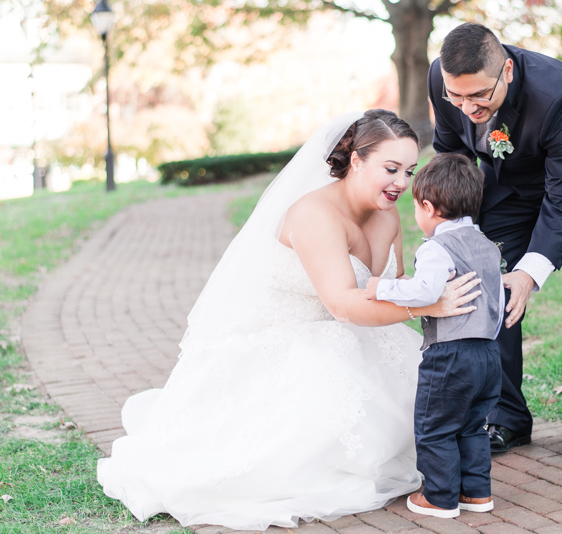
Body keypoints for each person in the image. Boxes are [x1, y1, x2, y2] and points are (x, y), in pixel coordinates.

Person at [96, 110, 481, 531]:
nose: (402, 184)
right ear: (356, 161)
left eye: (409, 171)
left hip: (361, 332)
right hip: (290, 336)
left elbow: (399, 283)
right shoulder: (314, 215)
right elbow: (342, 304)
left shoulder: (387, 215)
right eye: (390, 169)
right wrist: (427, 307)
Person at [427, 23, 562, 467]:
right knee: (483, 275)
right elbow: (451, 155)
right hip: (510, 188)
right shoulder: (443, 78)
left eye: (479, 96)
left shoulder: (558, 93)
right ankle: (508, 417)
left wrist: (530, 272)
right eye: (456, 98)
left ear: (508, 72)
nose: (467, 107)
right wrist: (452, 233)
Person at [365, 153, 503, 518]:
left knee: (434, 427)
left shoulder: (436, 248)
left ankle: (440, 497)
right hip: (489, 353)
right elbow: (499, 300)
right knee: (472, 425)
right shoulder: (489, 247)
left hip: (450, 356)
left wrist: (383, 288)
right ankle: (476, 493)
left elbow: (427, 293)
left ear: (428, 207)